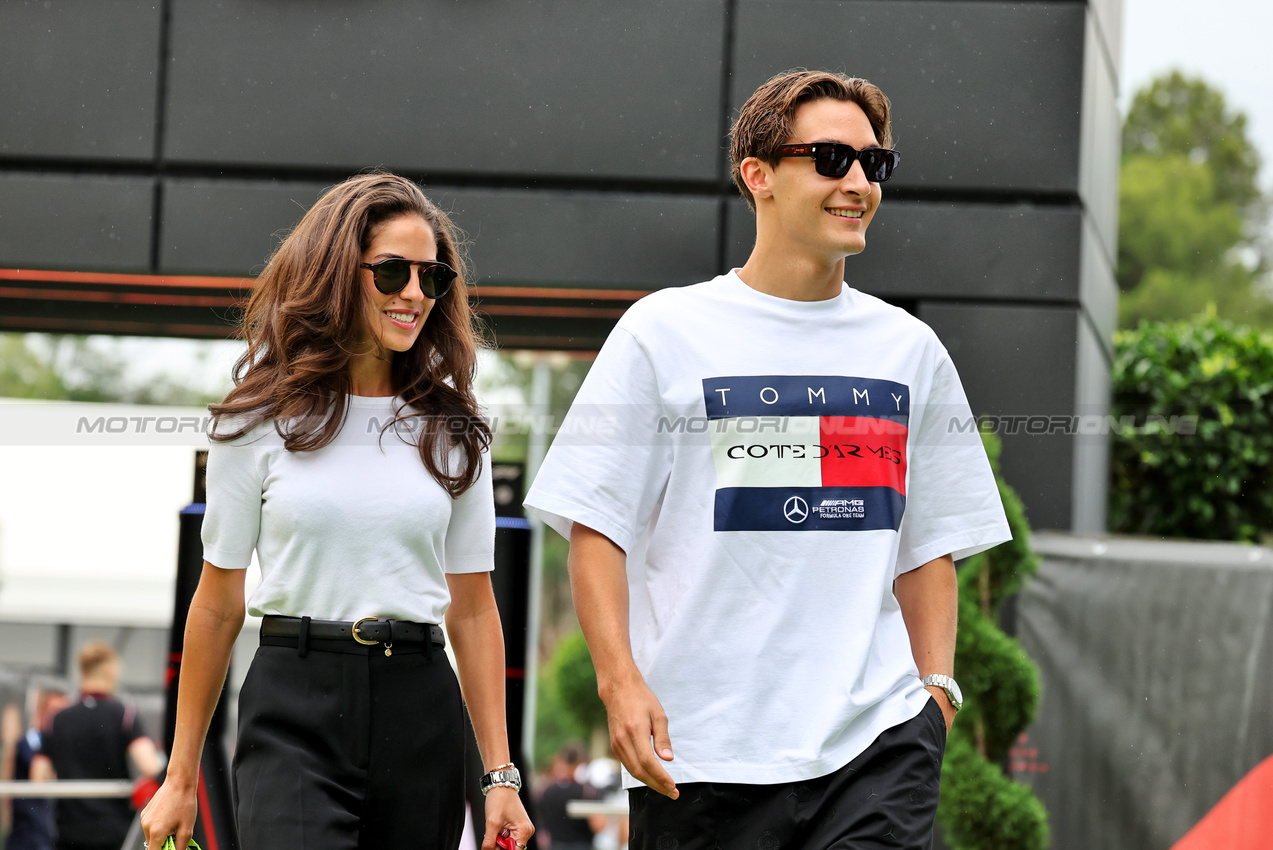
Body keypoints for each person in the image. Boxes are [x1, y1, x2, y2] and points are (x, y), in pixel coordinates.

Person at [524, 70, 1011, 849]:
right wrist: (618, 684)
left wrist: (934, 700)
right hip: (701, 754)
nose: (857, 181)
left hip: (876, 749)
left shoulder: (907, 351)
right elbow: (597, 527)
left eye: (872, 163)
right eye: (829, 158)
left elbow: (930, 548)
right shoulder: (663, 332)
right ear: (757, 177)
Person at [139, 172, 534, 850]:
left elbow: (472, 609)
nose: (414, 294)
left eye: (430, 277)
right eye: (390, 273)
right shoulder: (253, 422)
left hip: (419, 708)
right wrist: (178, 778)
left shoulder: (457, 429)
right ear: (334, 273)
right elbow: (216, 604)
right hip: (293, 704)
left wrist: (500, 778)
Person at [31, 644, 160, 850]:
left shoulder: (58, 719)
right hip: (113, 831)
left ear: (82, 671)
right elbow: (149, 766)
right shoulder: (123, 714)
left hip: (68, 832)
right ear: (109, 670)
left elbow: (38, 776)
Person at [1, 685, 69, 850]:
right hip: (28, 833)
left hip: (54, 833)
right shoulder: (29, 743)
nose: (58, 718)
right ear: (41, 712)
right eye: (54, 711)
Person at [534, 744, 596, 850]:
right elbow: (598, 825)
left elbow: (539, 817)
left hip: (554, 845)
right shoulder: (587, 791)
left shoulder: (547, 790)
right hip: (582, 845)